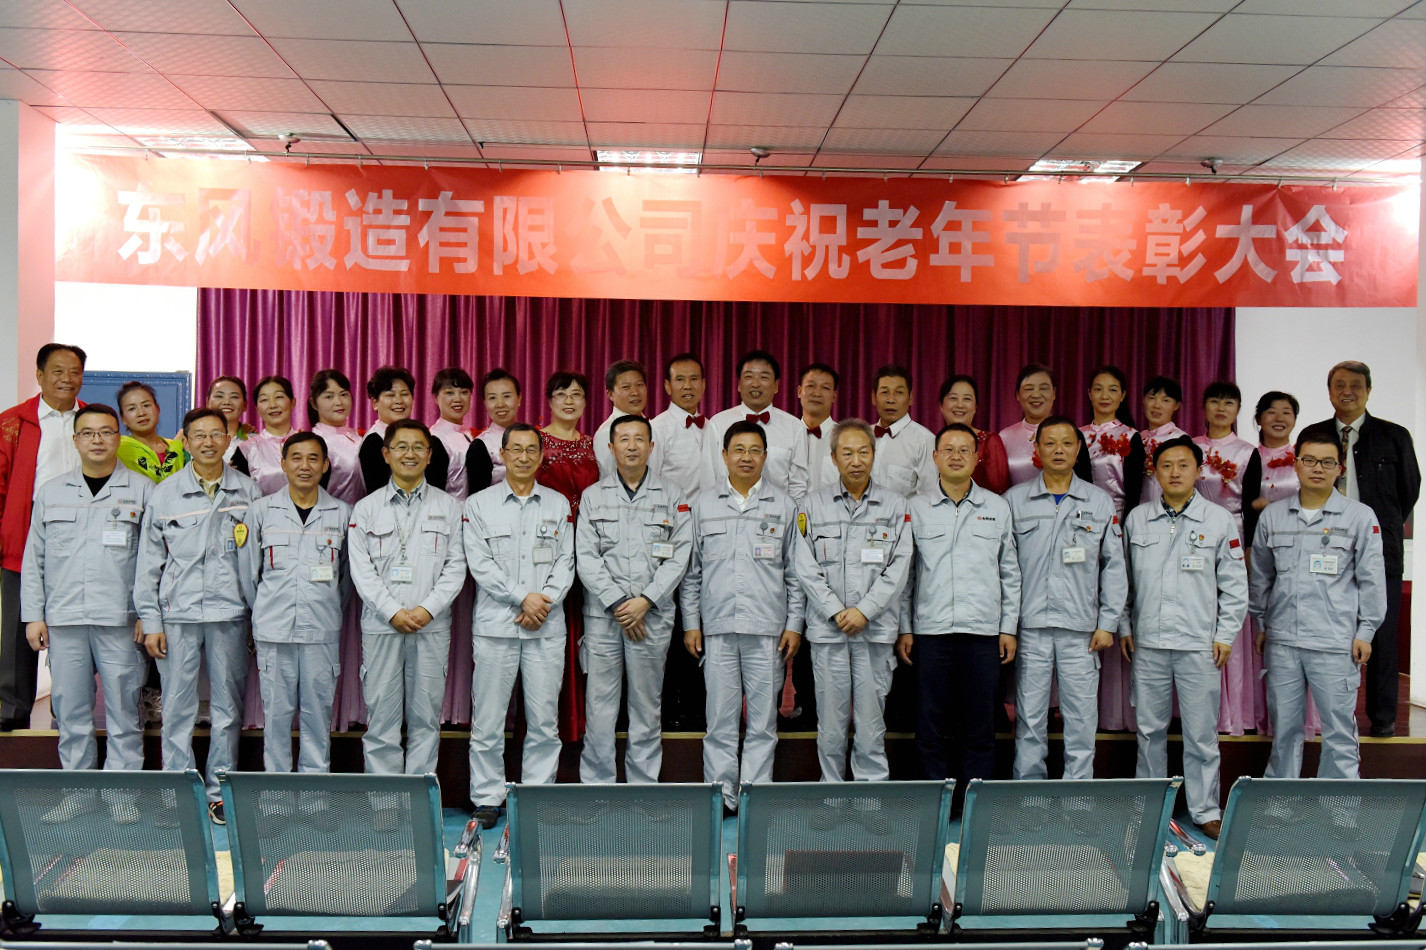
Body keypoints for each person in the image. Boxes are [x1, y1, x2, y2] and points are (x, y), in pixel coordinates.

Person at [134, 408, 261, 824]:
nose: (208, 442)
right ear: (185, 442)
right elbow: (148, 564)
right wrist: (151, 621)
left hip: (231, 613)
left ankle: (219, 791)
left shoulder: (248, 491)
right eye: (199, 436)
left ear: (228, 440)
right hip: (179, 615)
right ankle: (179, 791)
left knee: (227, 708)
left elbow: (258, 561)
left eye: (216, 434)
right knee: (177, 707)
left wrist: (256, 617)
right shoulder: (165, 494)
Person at [1121, 436, 1247, 840]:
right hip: (1149, 643)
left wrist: (1225, 634)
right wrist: (1124, 626)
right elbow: (1123, 581)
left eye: (1183, 465)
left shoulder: (1218, 520)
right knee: (1149, 731)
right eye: (1166, 465)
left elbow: (1235, 585)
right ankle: (1150, 806)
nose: (1175, 472)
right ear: (1154, 472)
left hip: (1199, 644)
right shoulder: (1137, 519)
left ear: (1199, 471)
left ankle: (1205, 809)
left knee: (1201, 733)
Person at [21, 404, 151, 793]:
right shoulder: (52, 492)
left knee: (125, 712)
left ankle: (122, 795)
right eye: (88, 433)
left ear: (118, 438)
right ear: (75, 440)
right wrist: (33, 615)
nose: (97, 440)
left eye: (106, 432)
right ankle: (77, 793)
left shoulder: (143, 490)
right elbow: (34, 558)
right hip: (65, 620)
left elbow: (153, 561)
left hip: (121, 620)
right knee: (70, 712)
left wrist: (148, 615)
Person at [681, 421, 804, 814]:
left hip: (768, 630)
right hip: (717, 629)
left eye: (754, 450)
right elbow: (691, 573)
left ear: (765, 456)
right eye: (738, 449)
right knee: (719, 720)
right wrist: (691, 623)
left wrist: (794, 624)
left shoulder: (785, 506)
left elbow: (796, 573)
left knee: (763, 723)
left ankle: (754, 798)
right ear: (724, 455)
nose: (746, 457)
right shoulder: (703, 505)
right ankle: (722, 796)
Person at [1250, 424, 1385, 779]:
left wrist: (1366, 631)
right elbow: (1261, 578)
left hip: (1335, 641)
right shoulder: (1273, 516)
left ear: (1340, 468)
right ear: (1296, 463)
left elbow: (1372, 579)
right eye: (1309, 460)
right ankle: (1279, 802)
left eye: (1327, 462)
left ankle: (1338, 806)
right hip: (1283, 641)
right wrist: (1262, 624)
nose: (1317, 468)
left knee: (1339, 732)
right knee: (1284, 731)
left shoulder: (1359, 517)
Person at [463, 423, 576, 828]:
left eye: (532, 450)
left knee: (544, 719)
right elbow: (480, 564)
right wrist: (521, 597)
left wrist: (542, 601)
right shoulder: (478, 504)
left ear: (541, 456)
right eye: (516, 449)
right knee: (489, 718)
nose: (524, 457)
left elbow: (566, 561)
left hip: (545, 625)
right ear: (503, 454)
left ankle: (536, 795)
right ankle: (487, 797)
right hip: (496, 625)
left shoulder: (558, 504)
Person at [898, 423, 1019, 795]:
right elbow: (906, 576)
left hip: (982, 634)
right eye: (948, 449)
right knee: (929, 724)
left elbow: (1010, 572)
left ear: (977, 457)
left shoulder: (997, 507)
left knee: (979, 726)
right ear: (935, 457)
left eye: (964, 450)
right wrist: (905, 628)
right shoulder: (915, 508)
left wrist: (1008, 628)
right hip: (931, 633)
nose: (956, 456)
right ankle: (936, 802)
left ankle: (972, 803)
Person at [1004, 416, 1127, 781]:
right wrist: (1008, 625)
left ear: (1077, 450)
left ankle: (1078, 795)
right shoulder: (1014, 501)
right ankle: (1028, 792)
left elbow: (1114, 567)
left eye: (1066, 443)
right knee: (1030, 717)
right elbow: (1004, 568)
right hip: (1030, 627)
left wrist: (1108, 623)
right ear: (1037, 450)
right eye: (1050, 443)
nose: (1058, 450)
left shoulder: (1099, 502)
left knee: (1081, 717)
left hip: (1081, 630)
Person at [793, 419, 912, 782]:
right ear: (833, 458)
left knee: (871, 723)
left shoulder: (895, 505)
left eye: (863, 452)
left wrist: (864, 611)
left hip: (874, 631)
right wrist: (835, 611)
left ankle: (870, 796)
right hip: (828, 632)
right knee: (830, 725)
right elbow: (805, 567)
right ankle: (831, 793)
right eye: (847, 453)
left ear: (874, 454)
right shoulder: (811, 505)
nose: (856, 460)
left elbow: (900, 567)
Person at [348, 420, 466, 785]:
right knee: (381, 716)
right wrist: (393, 612)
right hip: (382, 625)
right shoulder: (366, 509)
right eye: (401, 446)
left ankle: (419, 799)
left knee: (426, 717)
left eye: (418, 447)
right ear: (386, 454)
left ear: (429, 456)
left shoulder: (449, 507)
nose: (409, 454)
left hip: (431, 625)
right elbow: (361, 570)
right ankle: (385, 801)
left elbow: (456, 566)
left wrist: (427, 610)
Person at [576, 414, 692, 784]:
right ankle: (598, 786)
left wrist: (645, 601)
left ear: (651, 446)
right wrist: (617, 603)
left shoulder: (672, 496)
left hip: (651, 616)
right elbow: (586, 557)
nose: (631, 446)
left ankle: (643, 786)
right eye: (623, 439)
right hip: (604, 617)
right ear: (611, 448)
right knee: (599, 704)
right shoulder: (594, 497)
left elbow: (680, 555)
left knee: (646, 704)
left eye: (639, 439)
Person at [1312, 360, 1419, 737]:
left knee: (1383, 633)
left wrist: (1378, 527)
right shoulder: (1314, 435)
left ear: (1369, 391)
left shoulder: (1394, 436)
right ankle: (1323, 715)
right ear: (1329, 392)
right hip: (1324, 547)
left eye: (1356, 385)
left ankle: (1383, 716)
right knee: (1326, 630)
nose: (1348, 391)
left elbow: (1409, 490)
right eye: (1339, 385)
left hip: (1380, 547)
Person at [238, 431, 351, 781]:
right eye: (297, 458)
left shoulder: (342, 514)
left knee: (318, 716)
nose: (305, 466)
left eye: (313, 458)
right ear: (283, 463)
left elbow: (345, 580)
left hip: (321, 632)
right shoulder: (260, 512)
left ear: (325, 465)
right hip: (274, 632)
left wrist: (326, 608)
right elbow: (248, 575)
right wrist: (263, 615)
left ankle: (315, 793)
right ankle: (277, 792)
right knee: (276, 717)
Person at [0, 343, 85, 731]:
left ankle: (67, 711)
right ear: (39, 375)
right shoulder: (13, 423)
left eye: (75, 372)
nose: (67, 379)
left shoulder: (93, 420)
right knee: (19, 630)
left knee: (73, 629)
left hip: (82, 543)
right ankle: (11, 710)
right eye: (58, 371)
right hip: (25, 541)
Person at [536, 371, 601, 742]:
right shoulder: (536, 442)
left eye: (577, 394)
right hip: (549, 550)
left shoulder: (594, 445)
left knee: (586, 632)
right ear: (549, 401)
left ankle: (584, 723)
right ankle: (550, 724)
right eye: (561, 394)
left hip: (590, 548)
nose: (569, 401)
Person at [705, 350, 803, 492]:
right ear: (739, 384)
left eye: (764, 377)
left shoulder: (794, 427)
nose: (756, 384)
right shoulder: (718, 424)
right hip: (725, 505)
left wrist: (788, 507)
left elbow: (798, 484)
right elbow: (708, 478)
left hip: (778, 506)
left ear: (776, 385)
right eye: (748, 377)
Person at [359, 366, 450, 494]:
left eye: (404, 394)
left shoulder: (427, 438)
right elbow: (377, 494)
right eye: (390, 395)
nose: (399, 401)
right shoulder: (374, 441)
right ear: (374, 403)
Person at [1080, 365, 1145, 516]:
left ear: (1122, 395)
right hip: (1081, 514)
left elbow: (1134, 492)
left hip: (1117, 517)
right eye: (1098, 389)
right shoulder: (1076, 434)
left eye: (1113, 390)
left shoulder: (1130, 436)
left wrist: (1126, 524)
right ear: (1089, 394)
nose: (1105, 396)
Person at [1244, 390, 1301, 549]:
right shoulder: (1247, 458)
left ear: (1295, 419)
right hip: (1259, 539)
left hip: (1298, 537)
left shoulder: (1303, 458)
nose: (1279, 418)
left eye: (1286, 413)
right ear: (1259, 419)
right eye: (1271, 412)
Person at [868, 364, 936, 497]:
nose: (891, 399)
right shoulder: (863, 435)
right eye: (884, 392)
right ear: (873, 397)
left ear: (910, 398)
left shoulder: (924, 440)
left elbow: (929, 496)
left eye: (899, 392)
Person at [649, 353, 707, 498]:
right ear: (667, 386)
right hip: (672, 511)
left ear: (703, 385)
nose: (687, 386)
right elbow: (649, 482)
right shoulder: (656, 429)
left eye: (694, 379)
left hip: (711, 510)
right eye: (680, 379)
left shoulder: (711, 427)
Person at [938, 374, 1008, 494]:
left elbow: (1001, 490)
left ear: (975, 407)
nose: (960, 405)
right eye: (953, 398)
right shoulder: (931, 441)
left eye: (967, 399)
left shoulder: (990, 442)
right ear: (941, 406)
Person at [232, 375, 299, 494]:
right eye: (264, 400)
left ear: (292, 402)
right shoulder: (245, 450)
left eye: (279, 397)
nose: (272, 405)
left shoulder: (310, 444)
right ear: (257, 409)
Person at [593, 359, 656, 478]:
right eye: (626, 387)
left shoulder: (655, 426)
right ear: (610, 394)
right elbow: (608, 479)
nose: (635, 392)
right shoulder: (606, 433)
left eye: (639, 385)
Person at [308, 369, 364, 504]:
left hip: (366, 514)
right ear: (314, 403)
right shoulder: (314, 442)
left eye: (343, 394)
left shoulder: (358, 436)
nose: (339, 402)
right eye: (329, 397)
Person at [788, 363, 841, 502]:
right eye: (811, 386)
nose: (817, 393)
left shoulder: (845, 439)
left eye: (825, 388)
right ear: (799, 391)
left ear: (834, 396)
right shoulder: (785, 435)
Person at [116, 381, 186, 484]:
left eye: (146, 405)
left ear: (158, 409)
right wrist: (178, 443)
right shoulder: (122, 447)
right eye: (132, 409)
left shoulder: (170, 444)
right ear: (123, 418)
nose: (141, 413)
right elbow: (162, 483)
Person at [999, 363, 1057, 487]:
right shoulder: (1005, 437)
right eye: (1029, 389)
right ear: (1017, 395)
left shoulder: (1069, 434)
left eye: (1043, 388)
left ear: (1054, 393)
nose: (1036, 395)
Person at [467, 369, 521, 492]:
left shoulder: (533, 437)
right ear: (485, 403)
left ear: (519, 399)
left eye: (506, 396)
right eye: (492, 398)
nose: (500, 404)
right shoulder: (480, 446)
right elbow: (477, 498)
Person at [1139, 375, 1188, 506]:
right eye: (1152, 398)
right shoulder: (1138, 438)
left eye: (1165, 400)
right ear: (1144, 400)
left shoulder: (1180, 440)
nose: (1157, 405)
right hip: (1139, 511)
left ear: (1176, 405)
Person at [429, 367, 476, 499]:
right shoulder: (434, 439)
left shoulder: (468, 435)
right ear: (436, 398)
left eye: (464, 392)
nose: (458, 399)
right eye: (449, 393)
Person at [207, 376, 254, 464]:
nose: (226, 402)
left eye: (234, 397)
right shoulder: (193, 441)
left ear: (245, 405)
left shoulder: (255, 442)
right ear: (207, 402)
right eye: (219, 396)